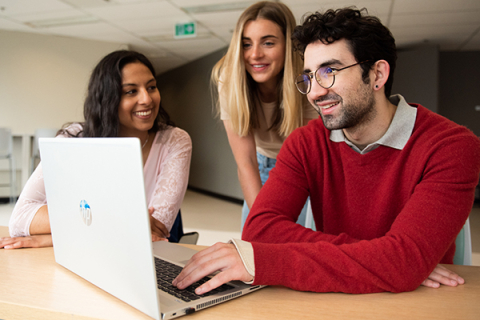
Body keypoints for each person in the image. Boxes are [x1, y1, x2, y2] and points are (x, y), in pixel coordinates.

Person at [173, 8, 480, 294]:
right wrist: (386, 259)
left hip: (422, 299)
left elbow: (402, 264)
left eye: (329, 71)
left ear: (377, 74)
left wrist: (400, 263)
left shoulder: (452, 147)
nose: (316, 92)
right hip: (334, 297)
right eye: (308, 76)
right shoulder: (305, 142)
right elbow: (260, 230)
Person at [1, 50, 192, 249]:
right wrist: (123, 220)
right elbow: (20, 219)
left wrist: (53, 237)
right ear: (107, 99)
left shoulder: (175, 140)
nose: (147, 99)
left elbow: (154, 234)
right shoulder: (74, 137)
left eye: (151, 87)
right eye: (131, 91)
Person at [211, 1, 318, 229]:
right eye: (246, 44)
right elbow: (246, 162)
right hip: (260, 165)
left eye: (268, 43)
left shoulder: (306, 79)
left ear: (288, 45)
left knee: (297, 249)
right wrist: (264, 225)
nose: (255, 54)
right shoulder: (229, 80)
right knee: (257, 240)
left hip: (304, 167)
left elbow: (307, 154)